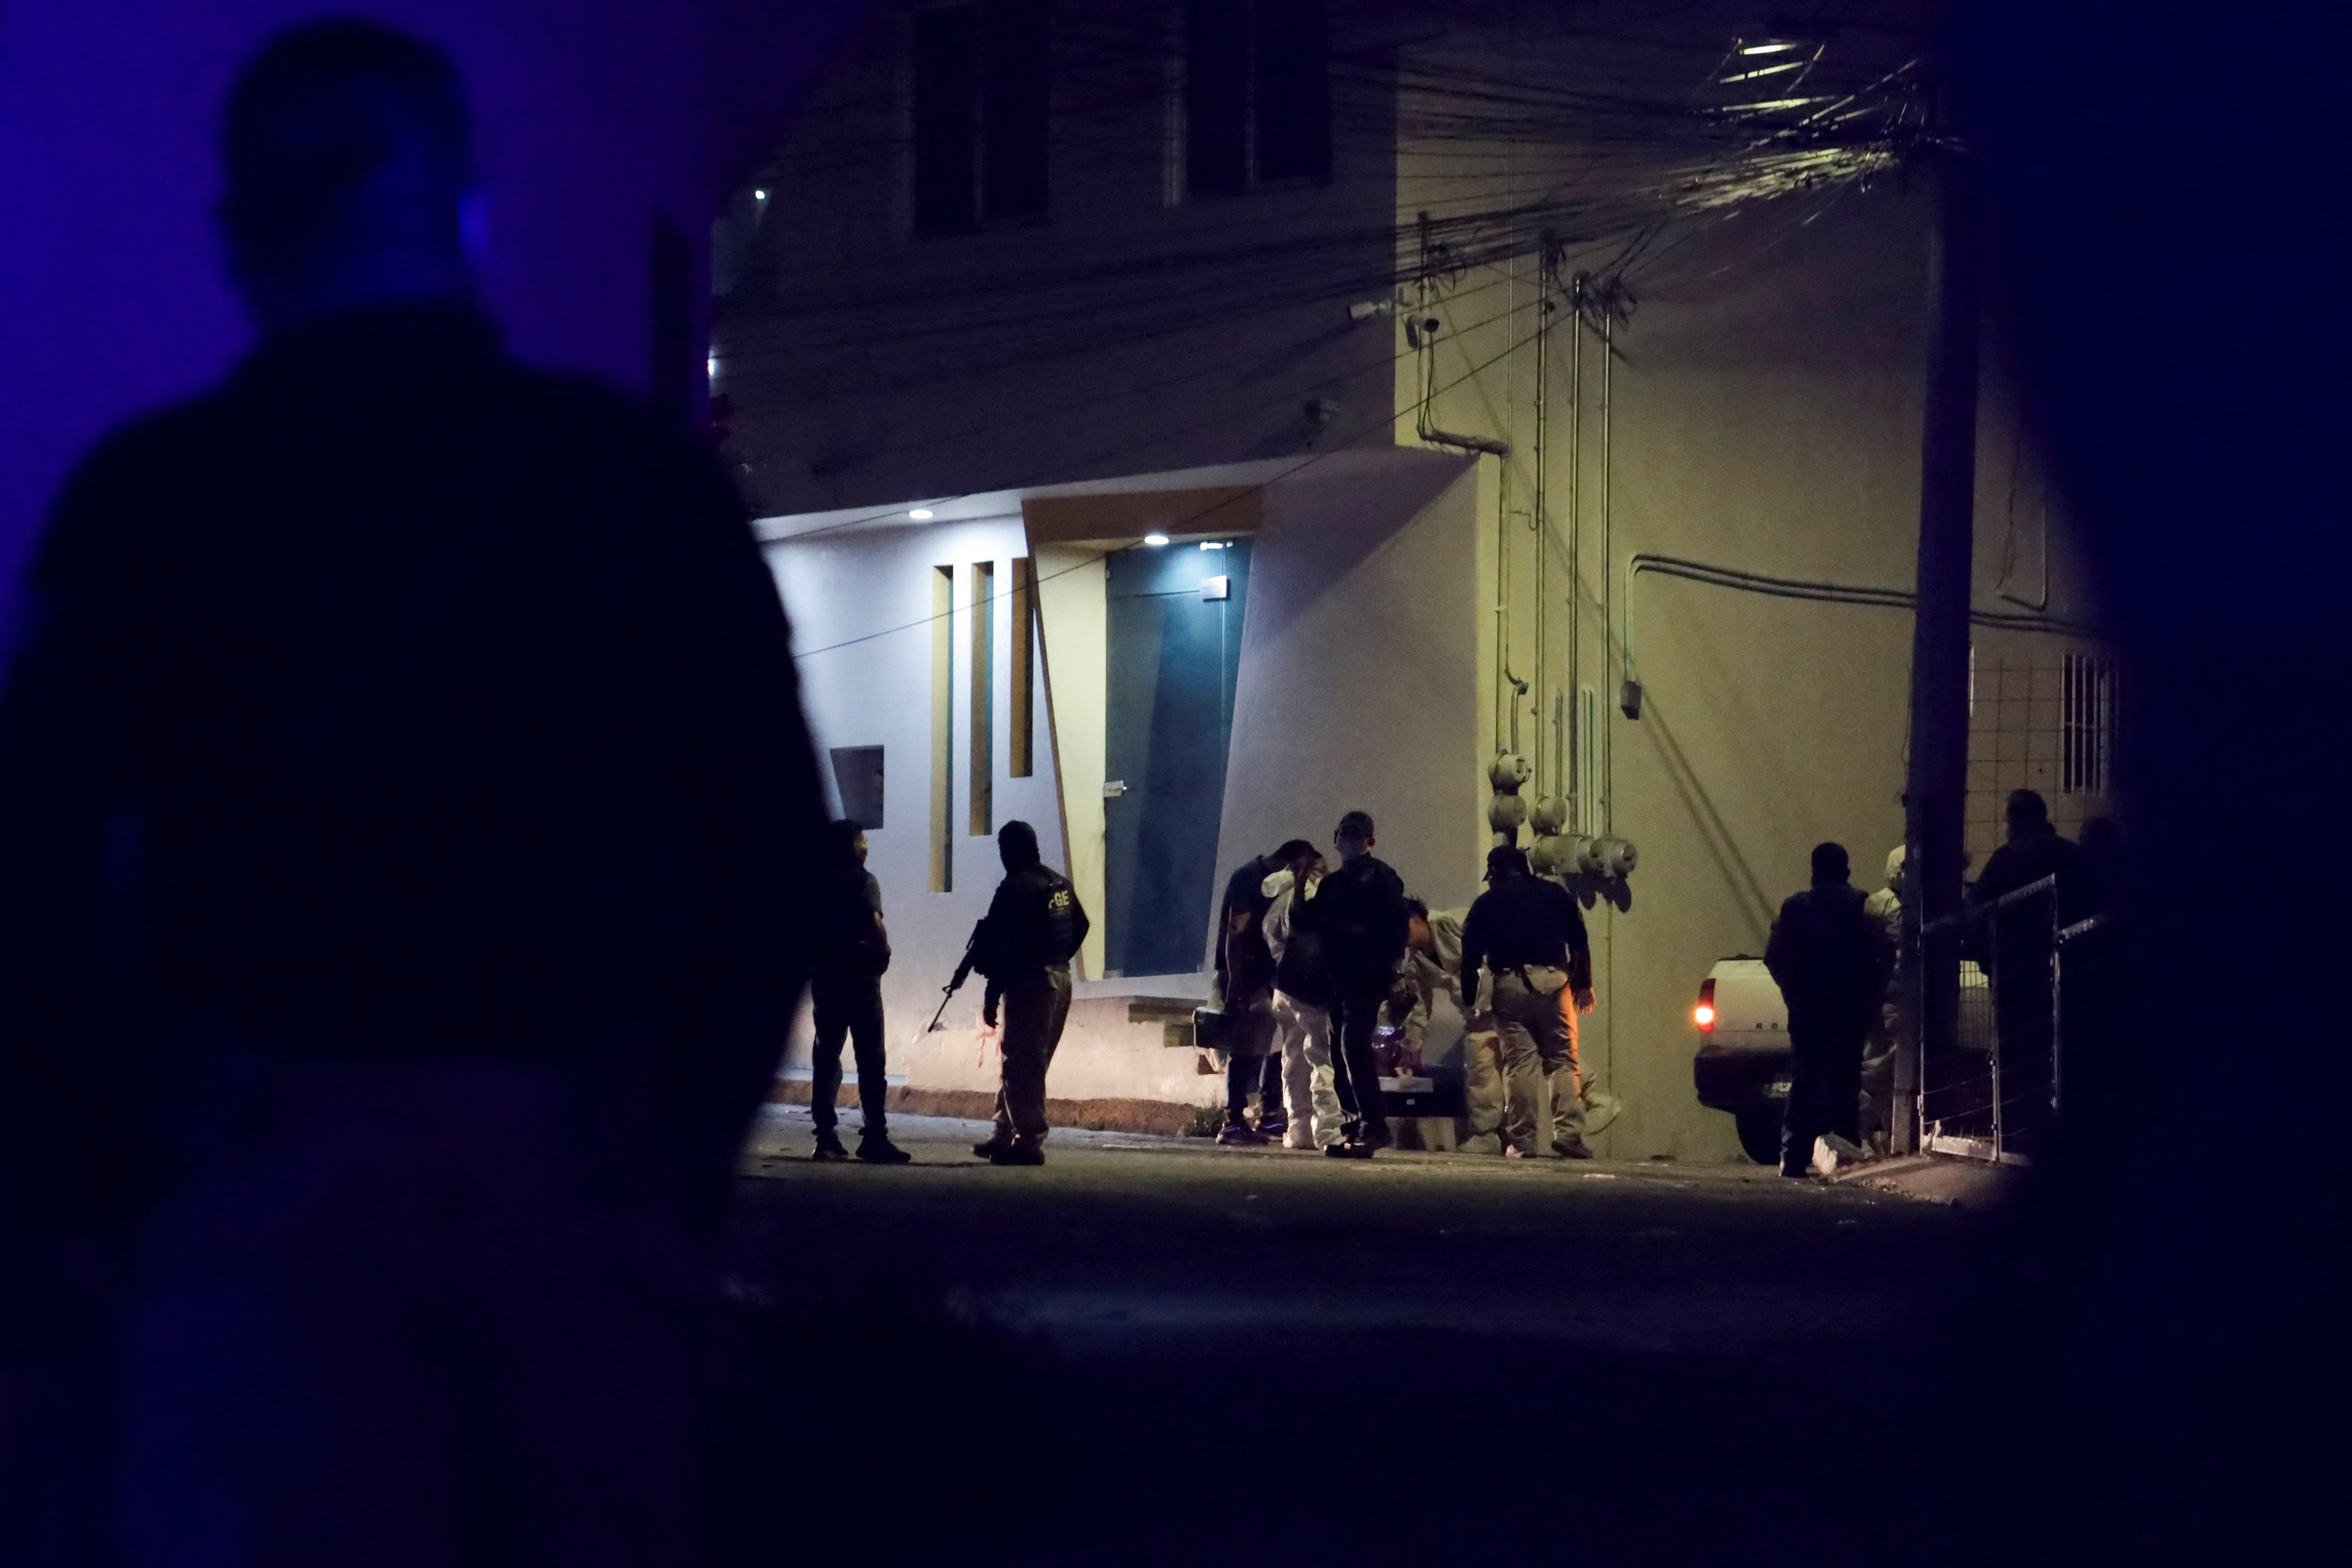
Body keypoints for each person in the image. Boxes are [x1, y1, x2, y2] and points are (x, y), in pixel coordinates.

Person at [0, 20, 826, 1565]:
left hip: (253, 1172)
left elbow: (32, 865)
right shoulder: (631, 486)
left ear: (245, 229)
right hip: (570, 1170)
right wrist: (671, 1168)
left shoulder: (154, 500)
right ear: (465, 210)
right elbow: (763, 845)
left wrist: (84, 1190)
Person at [1460, 846, 1598, 1159]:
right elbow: (1579, 940)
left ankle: (1523, 1143)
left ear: (1494, 873)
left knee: (1520, 1064)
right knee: (1563, 1060)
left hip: (1510, 983)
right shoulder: (1555, 894)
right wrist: (1583, 985)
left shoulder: (1487, 903)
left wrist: (1470, 999)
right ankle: (1570, 1135)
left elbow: (1470, 957)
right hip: (1555, 980)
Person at [1966, 790, 2089, 1138]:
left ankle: (2016, 1128)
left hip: (2014, 971)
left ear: (2016, 820)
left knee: (2016, 1051)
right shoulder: (2068, 854)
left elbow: (1977, 907)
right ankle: (2062, 1125)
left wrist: (1987, 957)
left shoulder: (2008, 858)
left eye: (2007, 819)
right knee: (2062, 1048)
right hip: (2066, 968)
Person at [1765, 844, 1894, 1177]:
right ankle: (1844, 1155)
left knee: (1805, 1080)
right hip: (1849, 1009)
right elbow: (1882, 955)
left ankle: (1792, 1159)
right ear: (1846, 870)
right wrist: (1871, 997)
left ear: (1814, 871)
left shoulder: (1795, 908)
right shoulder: (1860, 906)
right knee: (1846, 1082)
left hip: (1808, 1009)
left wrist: (1794, 993)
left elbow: (1775, 955)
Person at [970, 821, 1089, 1167]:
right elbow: (1080, 926)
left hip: (1030, 983)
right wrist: (1056, 957)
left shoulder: (1015, 888)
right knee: (1031, 1061)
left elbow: (1002, 949)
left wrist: (992, 994)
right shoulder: (1058, 883)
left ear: (1010, 850)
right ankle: (1003, 1131)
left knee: (1021, 1062)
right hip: (1059, 979)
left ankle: (1028, 1139)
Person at [1305, 810, 1411, 1158]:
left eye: (1354, 834)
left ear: (1369, 841)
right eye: (1344, 833)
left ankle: (1373, 1123)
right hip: (1340, 978)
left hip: (1365, 975)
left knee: (1353, 1045)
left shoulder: (1379, 877)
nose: (1347, 840)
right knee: (1339, 1049)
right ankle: (1357, 1122)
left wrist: (1391, 969)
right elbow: (1308, 922)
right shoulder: (1334, 883)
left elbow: (1397, 927)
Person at [809, 821, 909, 1164]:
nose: (867, 846)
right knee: (870, 1059)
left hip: (826, 979)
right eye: (862, 841)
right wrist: (882, 957)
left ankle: (825, 1136)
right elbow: (873, 925)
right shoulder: (863, 881)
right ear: (853, 847)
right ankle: (874, 1136)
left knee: (826, 1056)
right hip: (860, 981)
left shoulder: (818, 882)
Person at [1211, 840, 1314, 1145]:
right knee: (1245, 1047)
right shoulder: (1250, 877)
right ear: (1293, 864)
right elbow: (1236, 932)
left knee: (1273, 1041)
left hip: (1267, 975)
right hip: (1247, 974)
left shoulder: (1273, 881)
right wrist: (1234, 983)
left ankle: (1269, 1113)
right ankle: (1233, 1121)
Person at [1264, 842, 1344, 1149]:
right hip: (1307, 986)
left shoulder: (1276, 902)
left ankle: (1298, 1128)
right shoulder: (1309, 897)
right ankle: (1327, 1130)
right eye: (1322, 871)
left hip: (1282, 987)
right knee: (1321, 1056)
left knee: (1293, 1057)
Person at [1859, 845, 1908, 1152]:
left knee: (1887, 1066)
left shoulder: (1879, 904)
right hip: (1891, 996)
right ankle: (1869, 1132)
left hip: (1895, 994)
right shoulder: (1882, 905)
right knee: (1881, 1066)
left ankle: (1887, 1134)